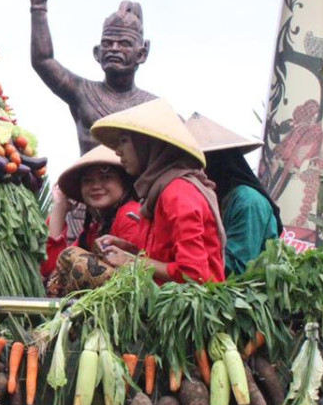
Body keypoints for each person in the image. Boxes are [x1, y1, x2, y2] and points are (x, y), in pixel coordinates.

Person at [91, 98, 226, 284]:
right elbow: (167, 258)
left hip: (187, 301)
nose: (118, 151)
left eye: (124, 141)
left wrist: (132, 261)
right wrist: (128, 250)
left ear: (147, 144)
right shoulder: (161, 191)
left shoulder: (178, 193)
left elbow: (194, 274)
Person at [27, 0, 156, 153]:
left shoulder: (153, 108)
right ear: (97, 53)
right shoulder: (82, 92)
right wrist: (38, 7)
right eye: (107, 43)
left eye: (124, 44)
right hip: (87, 172)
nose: (114, 48)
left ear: (141, 54)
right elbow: (43, 61)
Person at [186, 112, 283, 276]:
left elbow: (238, 267)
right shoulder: (219, 198)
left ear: (215, 163)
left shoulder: (247, 201)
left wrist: (187, 263)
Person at [41, 145, 148, 286]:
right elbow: (52, 268)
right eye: (88, 180)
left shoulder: (130, 214)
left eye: (105, 178)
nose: (96, 186)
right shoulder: (94, 229)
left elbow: (134, 280)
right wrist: (60, 206)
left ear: (124, 183)